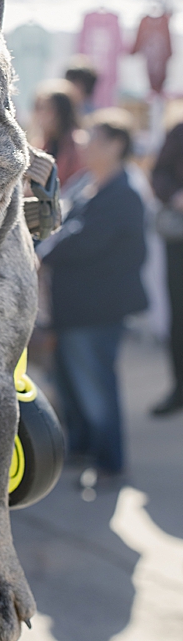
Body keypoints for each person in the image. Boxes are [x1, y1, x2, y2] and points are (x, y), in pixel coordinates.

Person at [38, 109, 149, 479]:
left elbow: (80, 240)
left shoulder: (124, 194)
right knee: (72, 384)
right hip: (74, 308)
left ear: (117, 144)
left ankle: (109, 462)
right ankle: (83, 449)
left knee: (95, 387)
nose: (85, 144)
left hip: (99, 309)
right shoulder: (88, 183)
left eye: (95, 137)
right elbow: (58, 222)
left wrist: (42, 253)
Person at [149, 102, 183, 417]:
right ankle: (179, 388)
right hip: (180, 239)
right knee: (180, 316)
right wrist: (175, 195)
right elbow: (158, 174)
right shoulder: (179, 131)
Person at [32, 78, 89, 190]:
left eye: (45, 109)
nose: (39, 115)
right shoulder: (39, 146)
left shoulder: (80, 146)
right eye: (37, 108)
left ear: (61, 112)